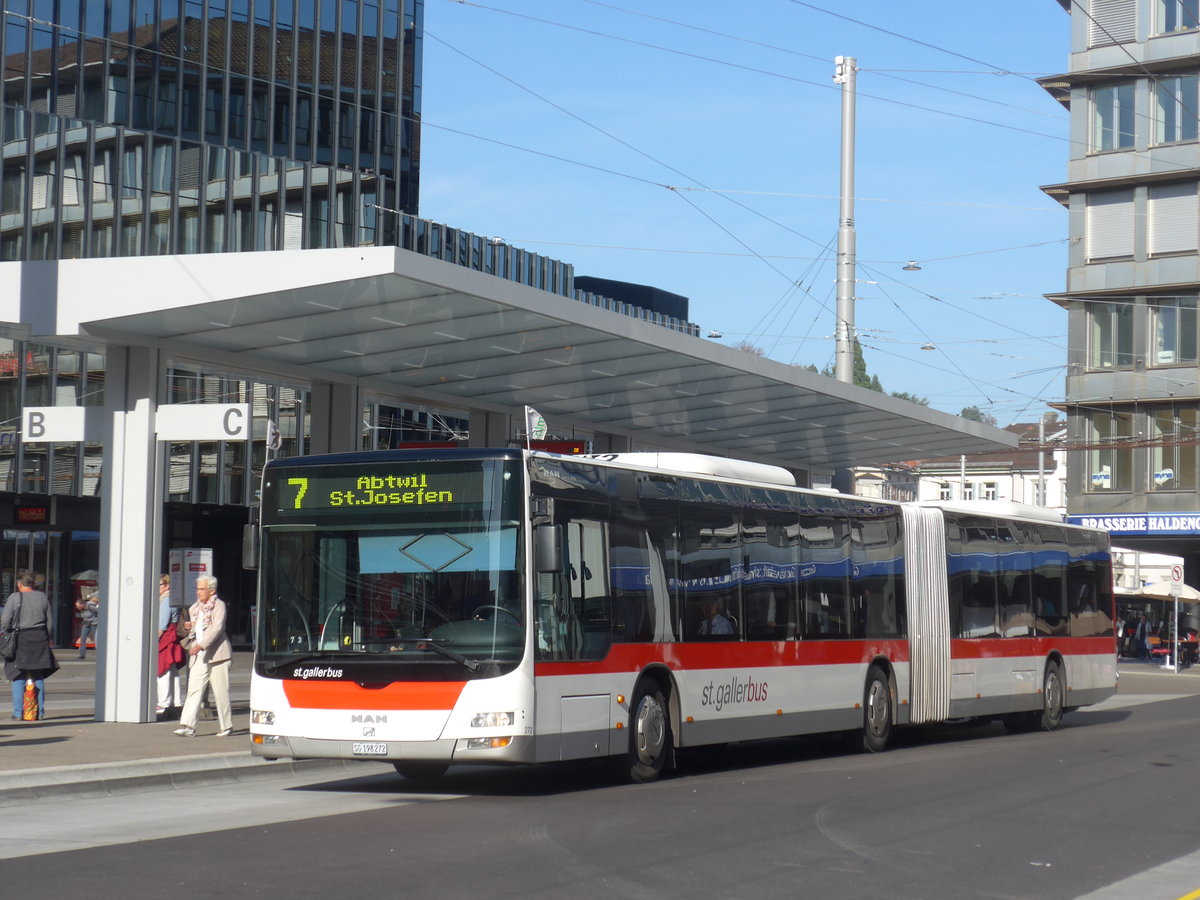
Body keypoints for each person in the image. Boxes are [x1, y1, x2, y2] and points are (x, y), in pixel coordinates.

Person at [175, 575, 233, 737]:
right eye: (198, 589)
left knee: (220, 691)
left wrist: (202, 644)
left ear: (211, 590)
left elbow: (217, 628)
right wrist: (188, 628)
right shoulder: (195, 608)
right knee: (194, 690)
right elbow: (194, 631)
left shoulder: (219, 606)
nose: (198, 592)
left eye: (202, 589)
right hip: (199, 655)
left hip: (217, 654)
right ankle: (188, 725)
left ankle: (226, 726)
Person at [1, 574, 58, 720]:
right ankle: (39, 712)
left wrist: (6, 631)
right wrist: (47, 638)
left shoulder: (15, 597)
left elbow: (5, 620)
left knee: (17, 675)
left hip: (21, 639)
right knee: (38, 674)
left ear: (20, 584)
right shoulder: (42, 597)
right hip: (39, 638)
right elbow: (49, 621)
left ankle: (18, 713)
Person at [156, 574, 185, 716]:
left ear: (167, 586)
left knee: (162, 670)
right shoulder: (172, 599)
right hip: (172, 638)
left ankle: (163, 703)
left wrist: (152, 641)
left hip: (166, 639)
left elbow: (161, 626)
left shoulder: (165, 601)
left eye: (159, 585)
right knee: (172, 671)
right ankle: (177, 702)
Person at [75, 591, 99, 659]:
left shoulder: (90, 606)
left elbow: (99, 611)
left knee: (96, 639)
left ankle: (99, 653)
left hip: (93, 624)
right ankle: (82, 655)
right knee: (83, 638)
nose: (77, 607)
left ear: (82, 604)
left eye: (78, 606)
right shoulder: (82, 609)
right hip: (86, 624)